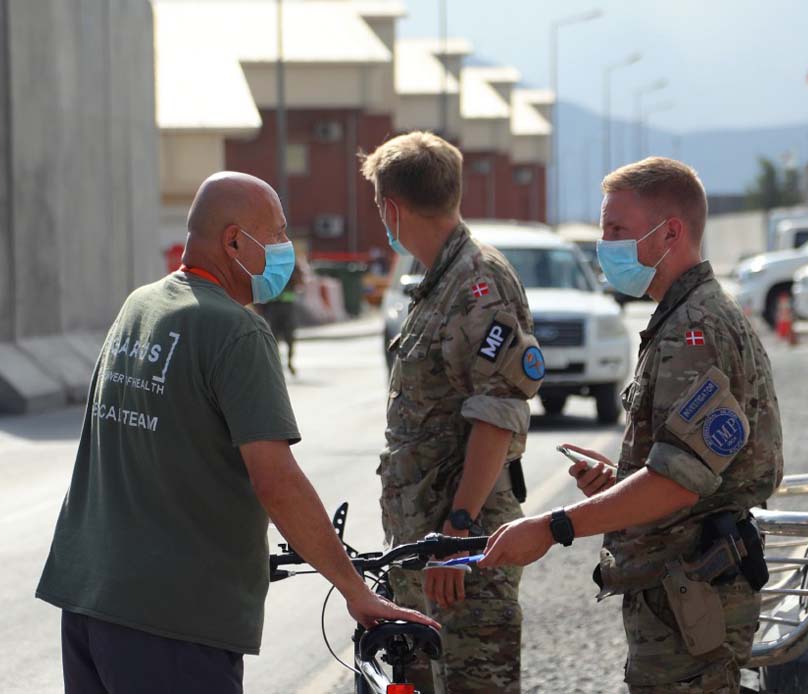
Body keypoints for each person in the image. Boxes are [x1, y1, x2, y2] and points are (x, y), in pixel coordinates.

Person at [35, 171, 435, 694]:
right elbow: (277, 481)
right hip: (172, 623)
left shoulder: (141, 306)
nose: (284, 249)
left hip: (90, 599)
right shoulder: (236, 332)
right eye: (276, 234)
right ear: (233, 241)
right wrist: (355, 590)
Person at [480, 157, 783, 693]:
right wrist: (623, 480)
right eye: (604, 231)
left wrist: (553, 527)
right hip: (677, 592)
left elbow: (678, 483)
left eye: (617, 231)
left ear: (670, 232)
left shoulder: (696, 328)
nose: (605, 246)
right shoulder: (682, 317)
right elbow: (679, 466)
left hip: (693, 596)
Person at [360, 131, 545, 694]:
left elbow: (497, 415)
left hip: (462, 558)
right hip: (430, 554)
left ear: (391, 208)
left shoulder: (476, 283)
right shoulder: (441, 280)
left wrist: (456, 536)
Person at [258, 262, 302, 375]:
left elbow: (299, 281)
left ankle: (289, 363)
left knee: (290, 339)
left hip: (287, 309)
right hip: (273, 309)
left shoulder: (291, 265)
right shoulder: (267, 266)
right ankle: (276, 365)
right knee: (273, 339)